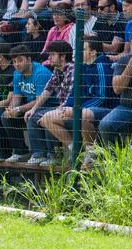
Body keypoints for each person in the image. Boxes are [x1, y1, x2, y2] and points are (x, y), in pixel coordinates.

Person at [39, 37, 116, 168]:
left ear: (93, 52)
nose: (78, 53)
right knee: (47, 118)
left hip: (105, 109)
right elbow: (74, 94)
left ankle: (91, 154)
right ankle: (75, 151)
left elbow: (102, 97)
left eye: (83, 49)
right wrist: (66, 107)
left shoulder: (102, 66)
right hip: (81, 109)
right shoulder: (81, 68)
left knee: (83, 115)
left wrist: (75, 110)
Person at [0, 44, 54, 163]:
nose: (17, 64)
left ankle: (39, 154)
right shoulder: (17, 74)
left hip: (48, 105)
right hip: (33, 106)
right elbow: (17, 96)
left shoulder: (41, 73)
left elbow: (39, 100)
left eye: (20, 60)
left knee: (31, 116)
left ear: (29, 59)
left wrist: (19, 109)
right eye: (14, 61)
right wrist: (12, 109)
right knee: (5, 116)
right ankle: (20, 151)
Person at [23, 40, 75, 166]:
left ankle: (55, 155)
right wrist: (33, 108)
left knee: (48, 116)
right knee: (33, 116)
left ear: (62, 56)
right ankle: (39, 154)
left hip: (72, 108)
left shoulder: (72, 70)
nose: (49, 57)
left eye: (52, 54)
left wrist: (55, 111)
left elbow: (70, 99)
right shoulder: (58, 70)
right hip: (62, 107)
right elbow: (47, 90)